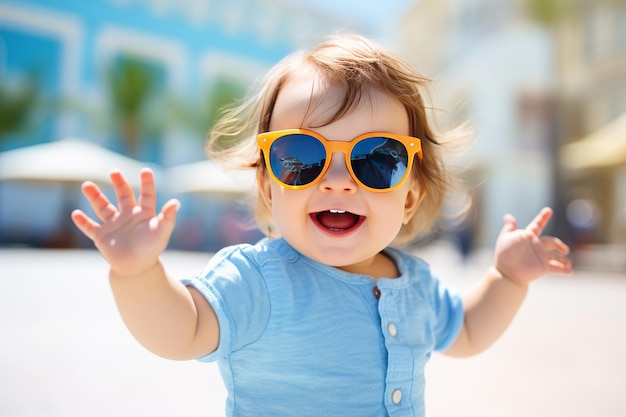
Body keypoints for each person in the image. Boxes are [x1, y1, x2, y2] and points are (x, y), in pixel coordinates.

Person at [71, 35, 572, 417]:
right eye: (301, 157)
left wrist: (507, 279)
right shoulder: (258, 281)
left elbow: (465, 332)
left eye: (376, 160)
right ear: (270, 188)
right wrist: (137, 275)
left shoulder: (415, 283)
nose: (337, 182)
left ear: (409, 196)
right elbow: (180, 332)